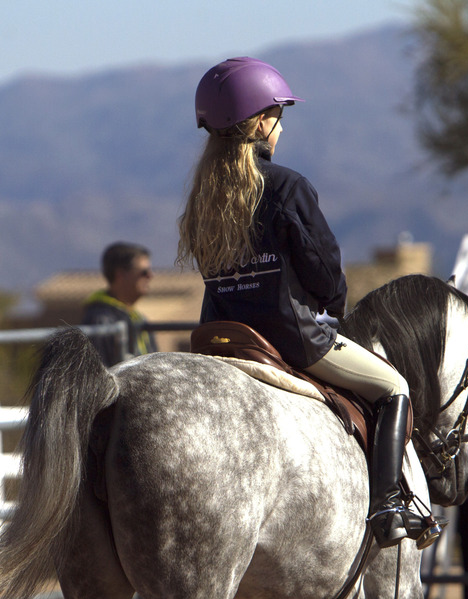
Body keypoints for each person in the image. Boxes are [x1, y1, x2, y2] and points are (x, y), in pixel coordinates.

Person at [177, 56, 430, 549]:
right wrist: (333, 308)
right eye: (278, 116)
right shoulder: (288, 186)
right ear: (260, 123)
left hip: (222, 337)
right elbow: (324, 272)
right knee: (394, 386)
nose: (280, 127)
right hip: (292, 338)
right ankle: (386, 506)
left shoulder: (201, 197)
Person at [81, 241, 159, 366]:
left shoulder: (138, 317)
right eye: (143, 272)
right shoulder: (100, 319)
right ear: (120, 274)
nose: (151, 276)